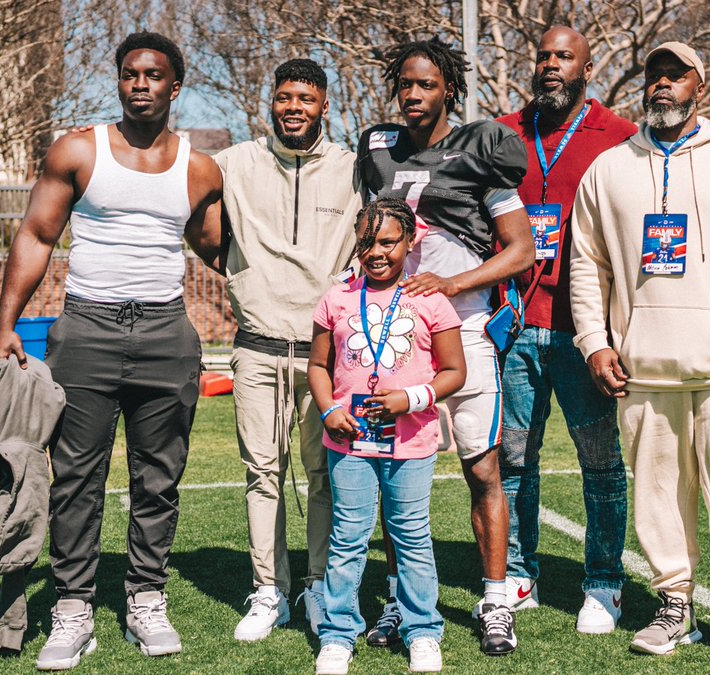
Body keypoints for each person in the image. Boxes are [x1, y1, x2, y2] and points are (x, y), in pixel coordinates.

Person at [0, 32, 224, 670]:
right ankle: (74, 607)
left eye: (153, 75)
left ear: (175, 86)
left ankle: (146, 598)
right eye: (129, 74)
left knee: (159, 478)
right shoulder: (77, 149)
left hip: (166, 334)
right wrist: (4, 322)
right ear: (119, 82)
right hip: (86, 330)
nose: (140, 84)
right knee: (77, 480)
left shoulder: (200, 168)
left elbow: (218, 250)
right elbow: (37, 234)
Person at [570, 42, 710, 668]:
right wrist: (594, 341)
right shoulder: (610, 168)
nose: (662, 85)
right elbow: (586, 268)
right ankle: (674, 606)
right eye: (654, 76)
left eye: (676, 75)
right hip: (646, 371)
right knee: (659, 494)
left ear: (700, 84)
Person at [355, 37, 535, 656]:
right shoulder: (377, 150)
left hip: (467, 330)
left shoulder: (482, 149)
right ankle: (402, 603)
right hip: (399, 337)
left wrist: (452, 283)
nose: (413, 94)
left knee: (482, 469)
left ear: (449, 90)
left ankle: (495, 599)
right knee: (395, 473)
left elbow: (521, 249)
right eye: (405, 83)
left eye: (426, 84)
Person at [492, 25, 637, 634]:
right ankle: (519, 571)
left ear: (587, 65)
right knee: (514, 459)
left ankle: (604, 582)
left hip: (585, 332)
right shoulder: (502, 133)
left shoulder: (623, 138)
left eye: (564, 57)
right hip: (516, 326)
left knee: (600, 462)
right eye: (544, 56)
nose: (551, 65)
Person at [214, 58, 361, 641]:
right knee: (261, 474)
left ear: (324, 105)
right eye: (283, 97)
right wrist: (236, 273)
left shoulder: (355, 169)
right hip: (257, 346)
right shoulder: (233, 163)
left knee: (324, 474)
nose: (293, 107)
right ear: (270, 103)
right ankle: (268, 590)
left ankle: (319, 585)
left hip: (326, 354)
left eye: (305, 97)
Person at [308, 199, 466, 674]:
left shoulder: (430, 299)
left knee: (411, 536)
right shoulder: (336, 298)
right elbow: (318, 366)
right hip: (349, 442)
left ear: (409, 242)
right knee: (348, 537)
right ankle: (338, 634)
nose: (375, 252)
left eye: (387, 241)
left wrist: (411, 398)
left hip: (412, 441)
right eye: (366, 242)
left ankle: (423, 630)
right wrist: (329, 409)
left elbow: (455, 372)